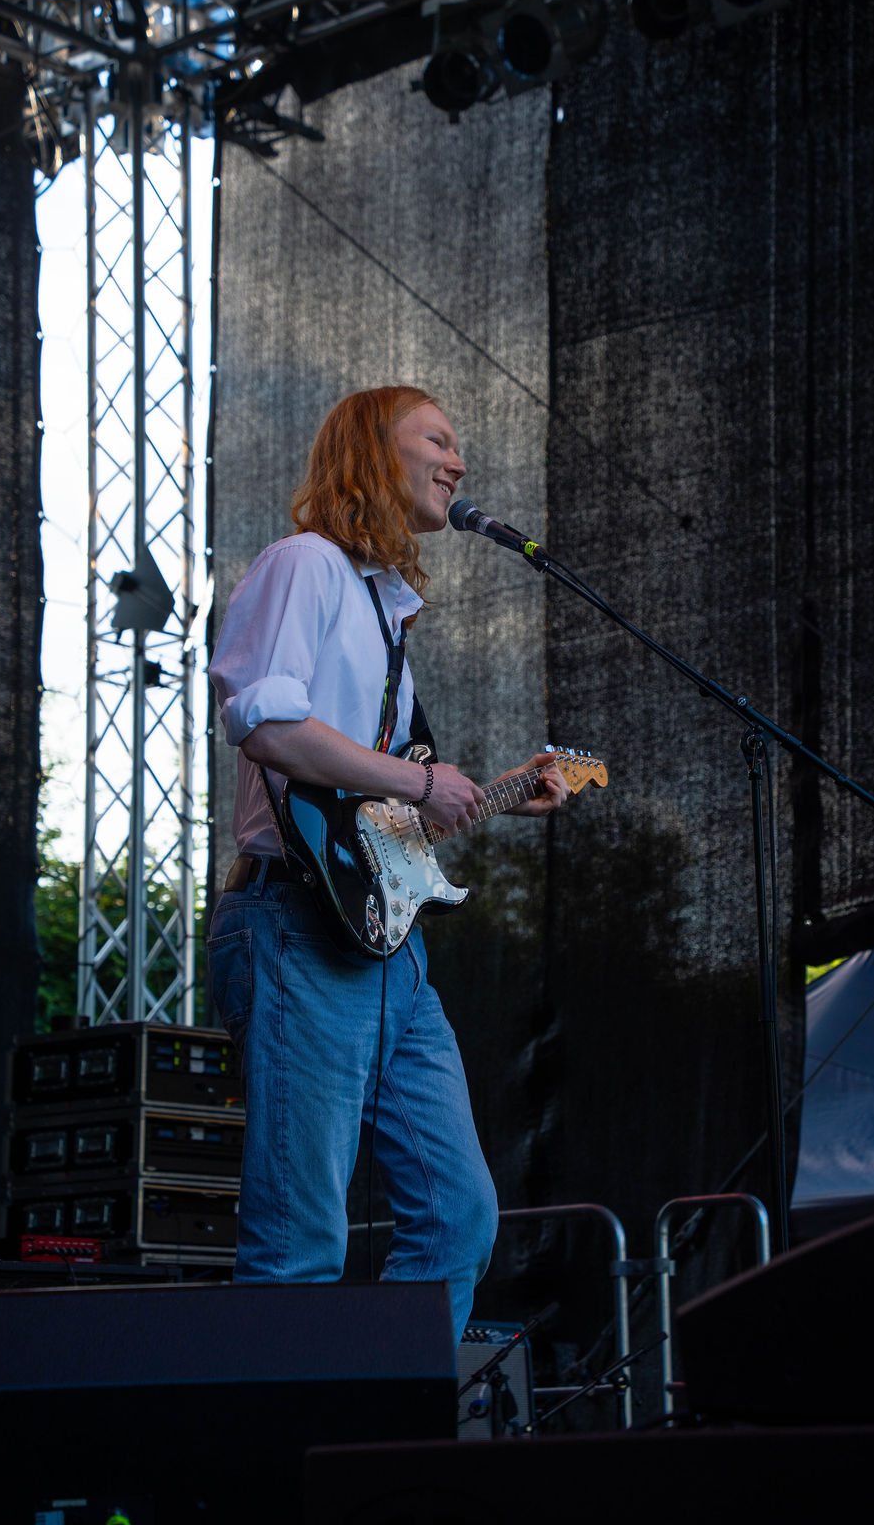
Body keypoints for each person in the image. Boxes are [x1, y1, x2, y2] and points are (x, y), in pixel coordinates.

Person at [206, 385, 569, 1342]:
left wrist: (491, 793)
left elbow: (370, 822)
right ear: (374, 450)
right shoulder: (306, 565)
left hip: (382, 950)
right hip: (293, 928)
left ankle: (381, 1414)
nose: (459, 462)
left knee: (460, 1217)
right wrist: (422, 784)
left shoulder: (386, 614)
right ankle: (287, 1434)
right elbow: (266, 723)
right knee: (299, 1243)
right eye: (438, 440)